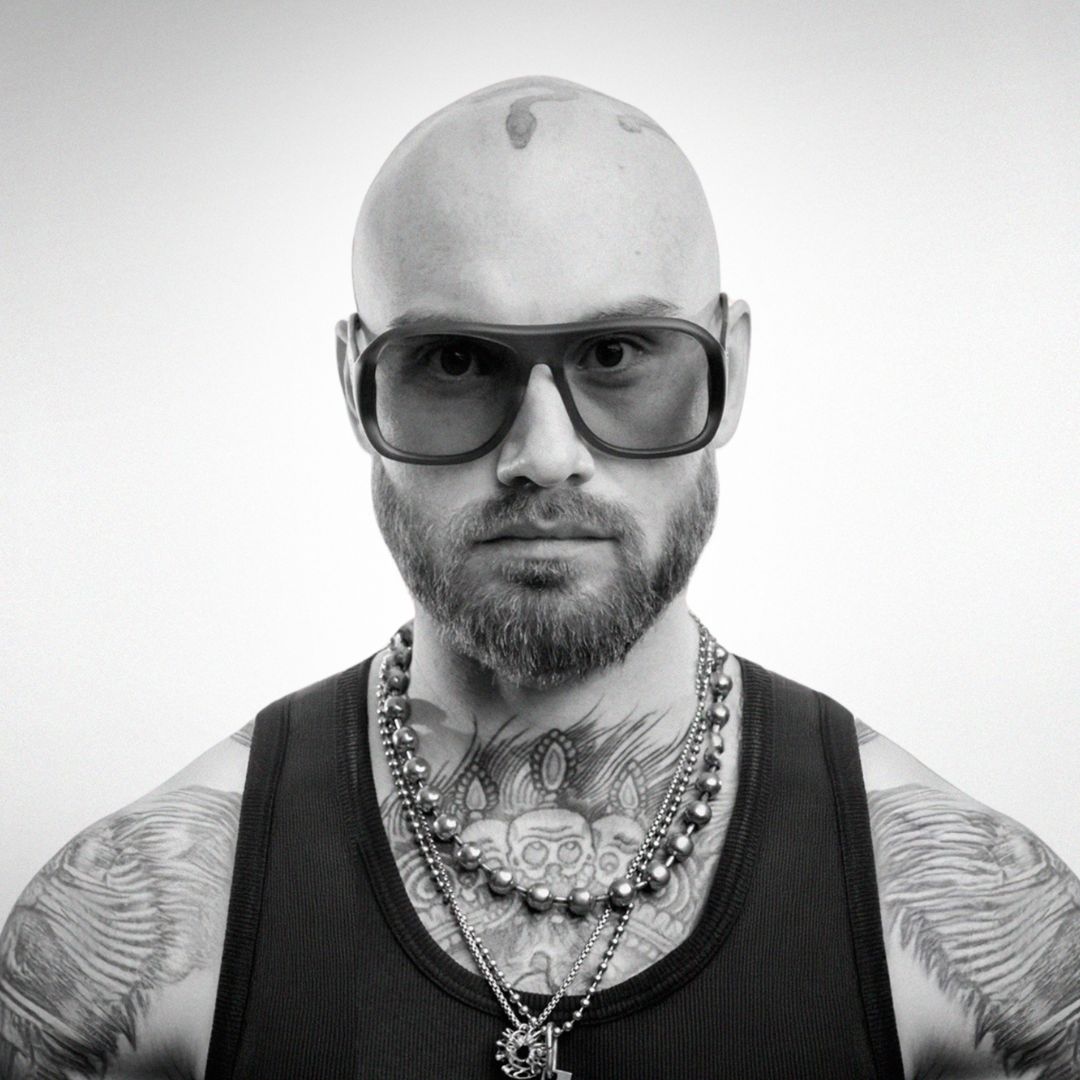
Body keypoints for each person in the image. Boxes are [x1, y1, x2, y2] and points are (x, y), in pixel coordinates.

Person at [1, 75, 1077, 1080]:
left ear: (731, 370)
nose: (545, 454)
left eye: (616, 353)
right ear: (354, 385)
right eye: (456, 359)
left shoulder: (963, 922)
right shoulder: (138, 930)